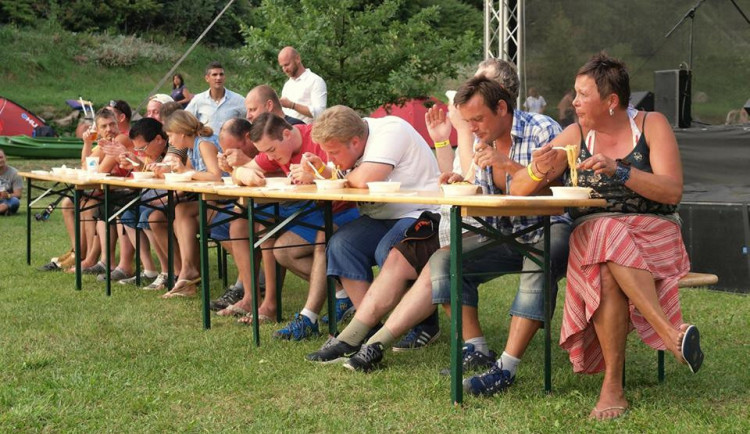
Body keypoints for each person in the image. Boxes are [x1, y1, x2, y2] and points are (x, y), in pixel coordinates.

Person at [321, 77, 569, 388]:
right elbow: (485, 196)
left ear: (502, 107)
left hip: (547, 227)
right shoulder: (484, 139)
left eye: (477, 119)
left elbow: (555, 190)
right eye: (467, 122)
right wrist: (460, 182)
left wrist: (505, 163)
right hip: (501, 229)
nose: (473, 127)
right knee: (443, 261)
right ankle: (475, 347)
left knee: (539, 255)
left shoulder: (542, 129)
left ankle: (506, 368)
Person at [521, 52, 702, 420]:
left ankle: (613, 389)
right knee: (602, 234)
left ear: (611, 101)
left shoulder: (651, 124)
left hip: (654, 233)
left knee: (603, 251)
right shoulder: (575, 135)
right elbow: (520, 187)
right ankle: (669, 334)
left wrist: (620, 171)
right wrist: (539, 168)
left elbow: (672, 192)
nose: (572, 102)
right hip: (596, 236)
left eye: (581, 94)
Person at [303, 105, 441, 360]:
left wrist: (327, 174)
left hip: (419, 211)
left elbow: (364, 178)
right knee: (341, 244)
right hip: (381, 216)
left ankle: (427, 325)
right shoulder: (357, 134)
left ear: (356, 141)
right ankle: (369, 326)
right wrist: (321, 172)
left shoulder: (390, 130)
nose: (331, 158)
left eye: (333, 152)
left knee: (389, 249)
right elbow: (345, 176)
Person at [222, 113, 359, 338]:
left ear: (287, 134)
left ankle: (309, 317)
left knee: (318, 241)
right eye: (265, 152)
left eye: (271, 150)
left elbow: (347, 177)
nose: (269, 157)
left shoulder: (318, 138)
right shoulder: (275, 148)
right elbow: (248, 169)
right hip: (314, 211)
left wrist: (316, 176)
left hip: (343, 210)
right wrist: (242, 170)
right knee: (281, 249)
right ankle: (345, 295)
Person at [150, 110, 224, 298]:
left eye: (170, 135)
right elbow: (190, 175)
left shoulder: (205, 144)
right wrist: (171, 172)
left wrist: (183, 170)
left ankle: (188, 274)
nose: (170, 140)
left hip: (225, 201)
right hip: (207, 199)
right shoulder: (193, 146)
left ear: (182, 132)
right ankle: (186, 273)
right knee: (176, 213)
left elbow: (216, 176)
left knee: (181, 211)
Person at [185, 61, 246, 132]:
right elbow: (185, 120)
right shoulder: (198, 100)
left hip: (230, 142)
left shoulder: (238, 100)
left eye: (221, 74)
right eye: (214, 75)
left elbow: (251, 118)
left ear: (224, 77)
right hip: (206, 141)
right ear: (207, 78)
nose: (218, 77)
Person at [278, 46, 327, 124]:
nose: (285, 69)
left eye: (287, 65)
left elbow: (320, 114)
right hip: (289, 133)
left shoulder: (315, 81)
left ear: (297, 59)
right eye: (282, 66)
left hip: (308, 133)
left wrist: (292, 105)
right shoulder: (287, 85)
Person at [0, 148, 22, 216]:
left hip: (6, 200)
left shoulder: (15, 173)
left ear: (5, 158)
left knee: (15, 201)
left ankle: (4, 208)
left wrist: (8, 195)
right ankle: (5, 210)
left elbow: (18, 194)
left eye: (1, 157)